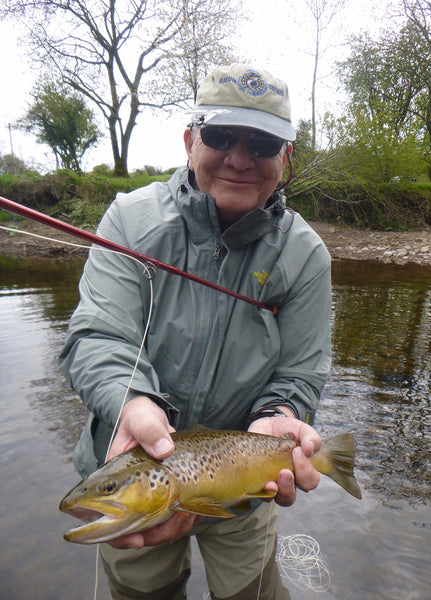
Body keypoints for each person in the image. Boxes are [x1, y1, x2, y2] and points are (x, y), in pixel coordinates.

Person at [60, 63, 332, 600]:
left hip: (244, 484)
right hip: (127, 459)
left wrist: (281, 418)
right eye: (220, 135)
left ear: (286, 159)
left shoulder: (305, 257)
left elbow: (299, 374)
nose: (238, 157)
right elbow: (97, 336)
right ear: (190, 141)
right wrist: (131, 402)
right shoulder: (130, 221)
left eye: (261, 143)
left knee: (251, 592)